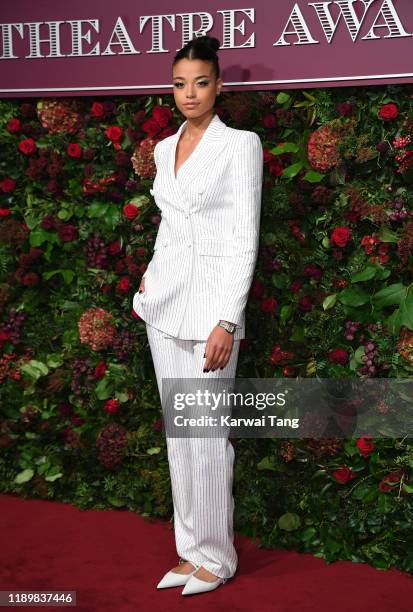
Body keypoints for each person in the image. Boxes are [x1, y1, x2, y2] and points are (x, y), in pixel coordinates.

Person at [132, 34, 263, 596]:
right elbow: (171, 227)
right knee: (178, 436)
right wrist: (150, 275)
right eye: (181, 83)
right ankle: (189, 551)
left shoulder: (241, 146)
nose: (190, 93)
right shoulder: (164, 150)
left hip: (211, 310)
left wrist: (227, 320)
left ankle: (217, 558)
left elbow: (243, 240)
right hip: (163, 304)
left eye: (201, 82)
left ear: (218, 85)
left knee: (207, 434)